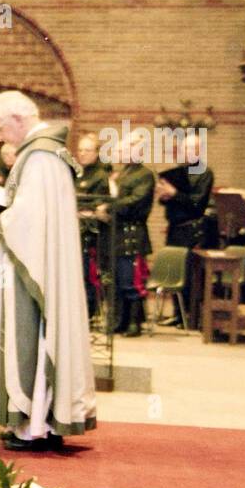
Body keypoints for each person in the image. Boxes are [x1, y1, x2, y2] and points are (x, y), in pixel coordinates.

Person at [0, 90, 96, 450]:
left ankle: (35, 424)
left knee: (33, 336)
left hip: (34, 268)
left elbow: (30, 222)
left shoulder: (41, 156)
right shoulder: (39, 153)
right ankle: (32, 420)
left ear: (18, 118)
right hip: (34, 260)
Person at [98, 129, 156, 337]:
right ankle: (119, 320)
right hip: (114, 234)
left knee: (131, 280)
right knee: (114, 280)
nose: (122, 151)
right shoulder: (120, 174)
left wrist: (109, 207)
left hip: (132, 234)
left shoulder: (145, 175)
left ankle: (134, 322)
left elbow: (136, 201)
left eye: (128, 147)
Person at [156, 131, 214, 327]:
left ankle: (189, 316)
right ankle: (177, 314)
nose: (187, 152)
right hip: (174, 228)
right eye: (184, 148)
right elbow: (172, 202)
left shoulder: (205, 173)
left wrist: (174, 193)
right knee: (174, 271)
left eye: (191, 148)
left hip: (192, 230)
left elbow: (197, 203)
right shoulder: (179, 172)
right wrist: (164, 196)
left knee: (189, 275)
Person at [74, 132, 110, 320]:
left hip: (91, 234)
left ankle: (89, 311)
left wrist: (79, 209)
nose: (83, 153)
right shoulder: (76, 173)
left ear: (97, 153)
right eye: (80, 150)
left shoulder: (101, 176)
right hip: (74, 233)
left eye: (87, 150)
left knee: (88, 275)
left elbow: (96, 205)